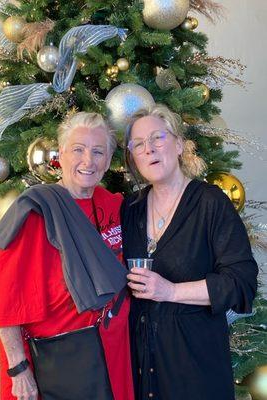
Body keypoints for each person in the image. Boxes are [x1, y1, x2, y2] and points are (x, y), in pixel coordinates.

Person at [0, 112, 134, 400]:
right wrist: (19, 371)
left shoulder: (116, 206)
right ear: (62, 154)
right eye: (78, 149)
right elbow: (6, 300)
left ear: (107, 161)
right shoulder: (36, 212)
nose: (88, 161)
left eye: (98, 152)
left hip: (113, 357)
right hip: (56, 365)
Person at [121, 104, 258, 400]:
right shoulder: (130, 209)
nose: (149, 149)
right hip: (142, 371)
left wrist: (170, 291)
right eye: (139, 144)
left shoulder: (211, 204)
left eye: (157, 138)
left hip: (196, 370)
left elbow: (242, 282)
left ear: (179, 144)